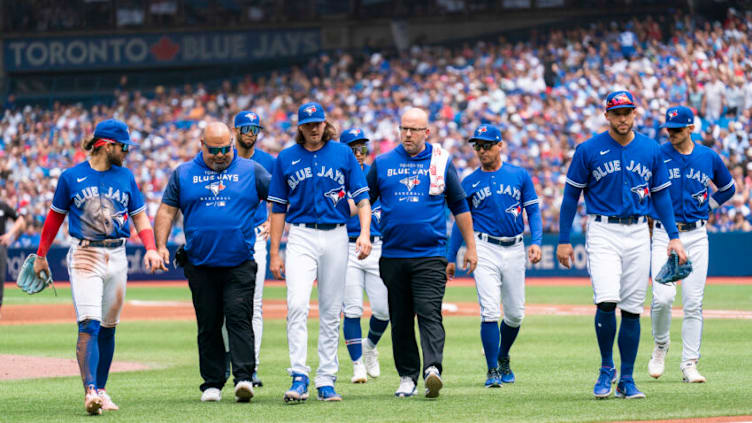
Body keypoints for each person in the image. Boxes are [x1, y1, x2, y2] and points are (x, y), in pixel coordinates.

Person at [556, 91, 688, 400]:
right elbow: (569, 198)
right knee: (606, 300)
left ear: (635, 113)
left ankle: (627, 379)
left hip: (639, 231)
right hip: (603, 230)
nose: (623, 118)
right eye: (617, 113)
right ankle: (606, 368)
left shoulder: (651, 150)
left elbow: (662, 197)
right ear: (607, 115)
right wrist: (563, 240)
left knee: (631, 309)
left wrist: (674, 235)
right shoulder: (588, 149)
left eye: (628, 112)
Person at [32, 119, 165, 415]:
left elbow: (140, 217)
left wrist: (151, 248)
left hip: (117, 254)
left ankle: (101, 391)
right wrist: (41, 254)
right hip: (85, 255)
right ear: (107, 145)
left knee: (108, 327)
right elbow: (55, 218)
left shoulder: (126, 177)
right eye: (124, 146)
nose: (127, 151)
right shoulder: (71, 177)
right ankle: (89, 390)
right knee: (89, 322)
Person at [154, 122, 270, 403]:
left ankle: (244, 378)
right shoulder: (183, 173)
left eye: (226, 149)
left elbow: (280, 198)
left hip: (239, 262)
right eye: (214, 150)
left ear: (232, 143)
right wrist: (159, 246)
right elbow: (167, 211)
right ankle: (212, 383)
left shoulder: (251, 170)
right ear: (201, 146)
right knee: (208, 324)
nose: (220, 155)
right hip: (200, 263)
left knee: (239, 319)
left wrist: (272, 224)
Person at [366, 107, 478, 399]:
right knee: (400, 318)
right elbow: (363, 200)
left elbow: (459, 205)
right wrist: (360, 231)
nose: (408, 134)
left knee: (429, 312)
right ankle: (407, 376)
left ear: (426, 132)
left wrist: (471, 246)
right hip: (392, 254)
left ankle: (432, 369)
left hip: (430, 253)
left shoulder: (440, 161)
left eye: (414, 130)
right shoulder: (382, 163)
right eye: (404, 128)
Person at [268, 102, 372, 403]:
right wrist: (275, 252)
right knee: (297, 304)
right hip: (300, 234)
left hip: (337, 234)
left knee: (330, 310)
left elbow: (362, 200)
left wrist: (364, 233)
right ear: (300, 127)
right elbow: (277, 208)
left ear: (326, 124)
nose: (314, 128)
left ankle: (326, 378)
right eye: (308, 123)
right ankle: (299, 375)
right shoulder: (286, 157)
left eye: (318, 122)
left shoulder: (343, 154)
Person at [445, 124, 543, 388]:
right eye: (477, 145)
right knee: (489, 310)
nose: (482, 150)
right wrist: (451, 256)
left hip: (514, 247)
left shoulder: (519, 175)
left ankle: (502, 356)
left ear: (500, 145)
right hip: (484, 246)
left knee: (514, 315)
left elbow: (533, 211)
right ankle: (491, 370)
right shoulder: (469, 181)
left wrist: (537, 242)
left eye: (487, 145)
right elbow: (460, 222)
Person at [648, 106, 735, 383]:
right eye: (669, 129)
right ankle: (661, 345)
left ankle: (689, 363)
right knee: (662, 298)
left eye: (677, 129)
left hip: (697, 234)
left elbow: (729, 187)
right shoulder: (658, 154)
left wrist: (710, 205)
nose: (671, 133)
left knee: (693, 302)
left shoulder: (708, 156)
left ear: (691, 128)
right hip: (664, 233)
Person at [228, 110, 276, 387]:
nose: (250, 132)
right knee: (225, 307)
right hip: (228, 237)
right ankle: (227, 363)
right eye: (245, 127)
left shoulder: (267, 160)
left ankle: (251, 366)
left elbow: (280, 195)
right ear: (235, 129)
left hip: (256, 234)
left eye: (254, 128)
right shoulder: (224, 156)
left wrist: (271, 219)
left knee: (254, 305)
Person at [339, 127, 389, 384]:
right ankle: (357, 364)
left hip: (377, 245)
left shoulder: (375, 172)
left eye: (362, 149)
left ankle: (370, 346)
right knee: (353, 309)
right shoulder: (336, 174)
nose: (359, 154)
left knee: (383, 310)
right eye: (353, 148)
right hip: (346, 246)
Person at [0, 200, 26, 318]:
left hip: (0, 245)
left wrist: (9, 234)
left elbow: (20, 220)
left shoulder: (3, 206)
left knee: (0, 277)